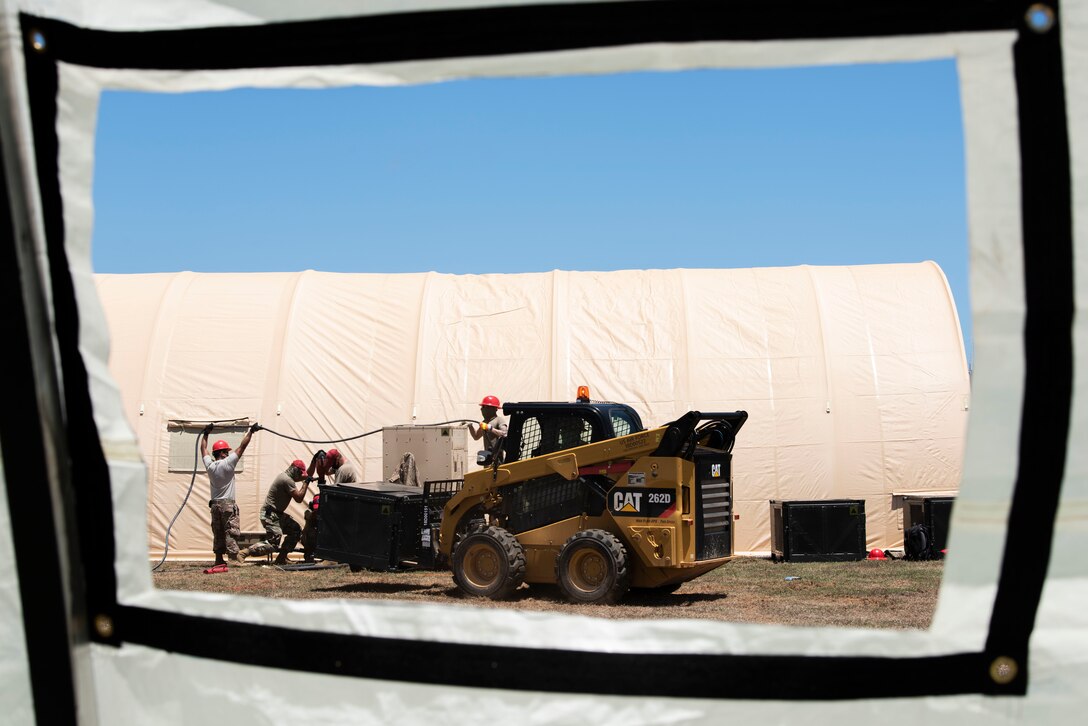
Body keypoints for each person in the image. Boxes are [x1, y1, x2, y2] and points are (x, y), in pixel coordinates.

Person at [200, 422, 258, 566]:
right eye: (226, 451)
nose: (227, 453)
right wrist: (251, 431)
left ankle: (219, 559)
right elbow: (242, 447)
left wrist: (206, 433)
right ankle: (233, 558)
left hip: (215, 504)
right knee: (230, 531)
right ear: (222, 453)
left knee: (218, 532)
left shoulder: (210, 466)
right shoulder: (228, 463)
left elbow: (203, 448)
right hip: (227, 504)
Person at [238, 458, 310, 565]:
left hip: (276, 514)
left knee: (295, 530)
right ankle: (244, 553)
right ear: (295, 470)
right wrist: (306, 483)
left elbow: (300, 477)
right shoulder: (287, 480)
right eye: (300, 472)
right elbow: (299, 498)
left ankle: (282, 557)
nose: (300, 475)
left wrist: (307, 477)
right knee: (273, 544)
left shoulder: (286, 477)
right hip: (271, 514)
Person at [299, 447, 360, 562]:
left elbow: (334, 493)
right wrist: (319, 463)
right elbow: (327, 471)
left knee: (314, 521)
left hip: (343, 507)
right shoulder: (341, 465)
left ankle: (323, 555)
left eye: (332, 463)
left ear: (337, 459)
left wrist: (321, 481)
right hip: (344, 505)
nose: (332, 466)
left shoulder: (343, 470)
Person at [469, 394, 508, 460]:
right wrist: (470, 426)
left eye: (484, 407)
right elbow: (476, 436)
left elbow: (504, 433)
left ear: (492, 408)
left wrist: (490, 428)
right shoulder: (484, 422)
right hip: (487, 457)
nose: (481, 409)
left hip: (497, 459)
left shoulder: (499, 420)